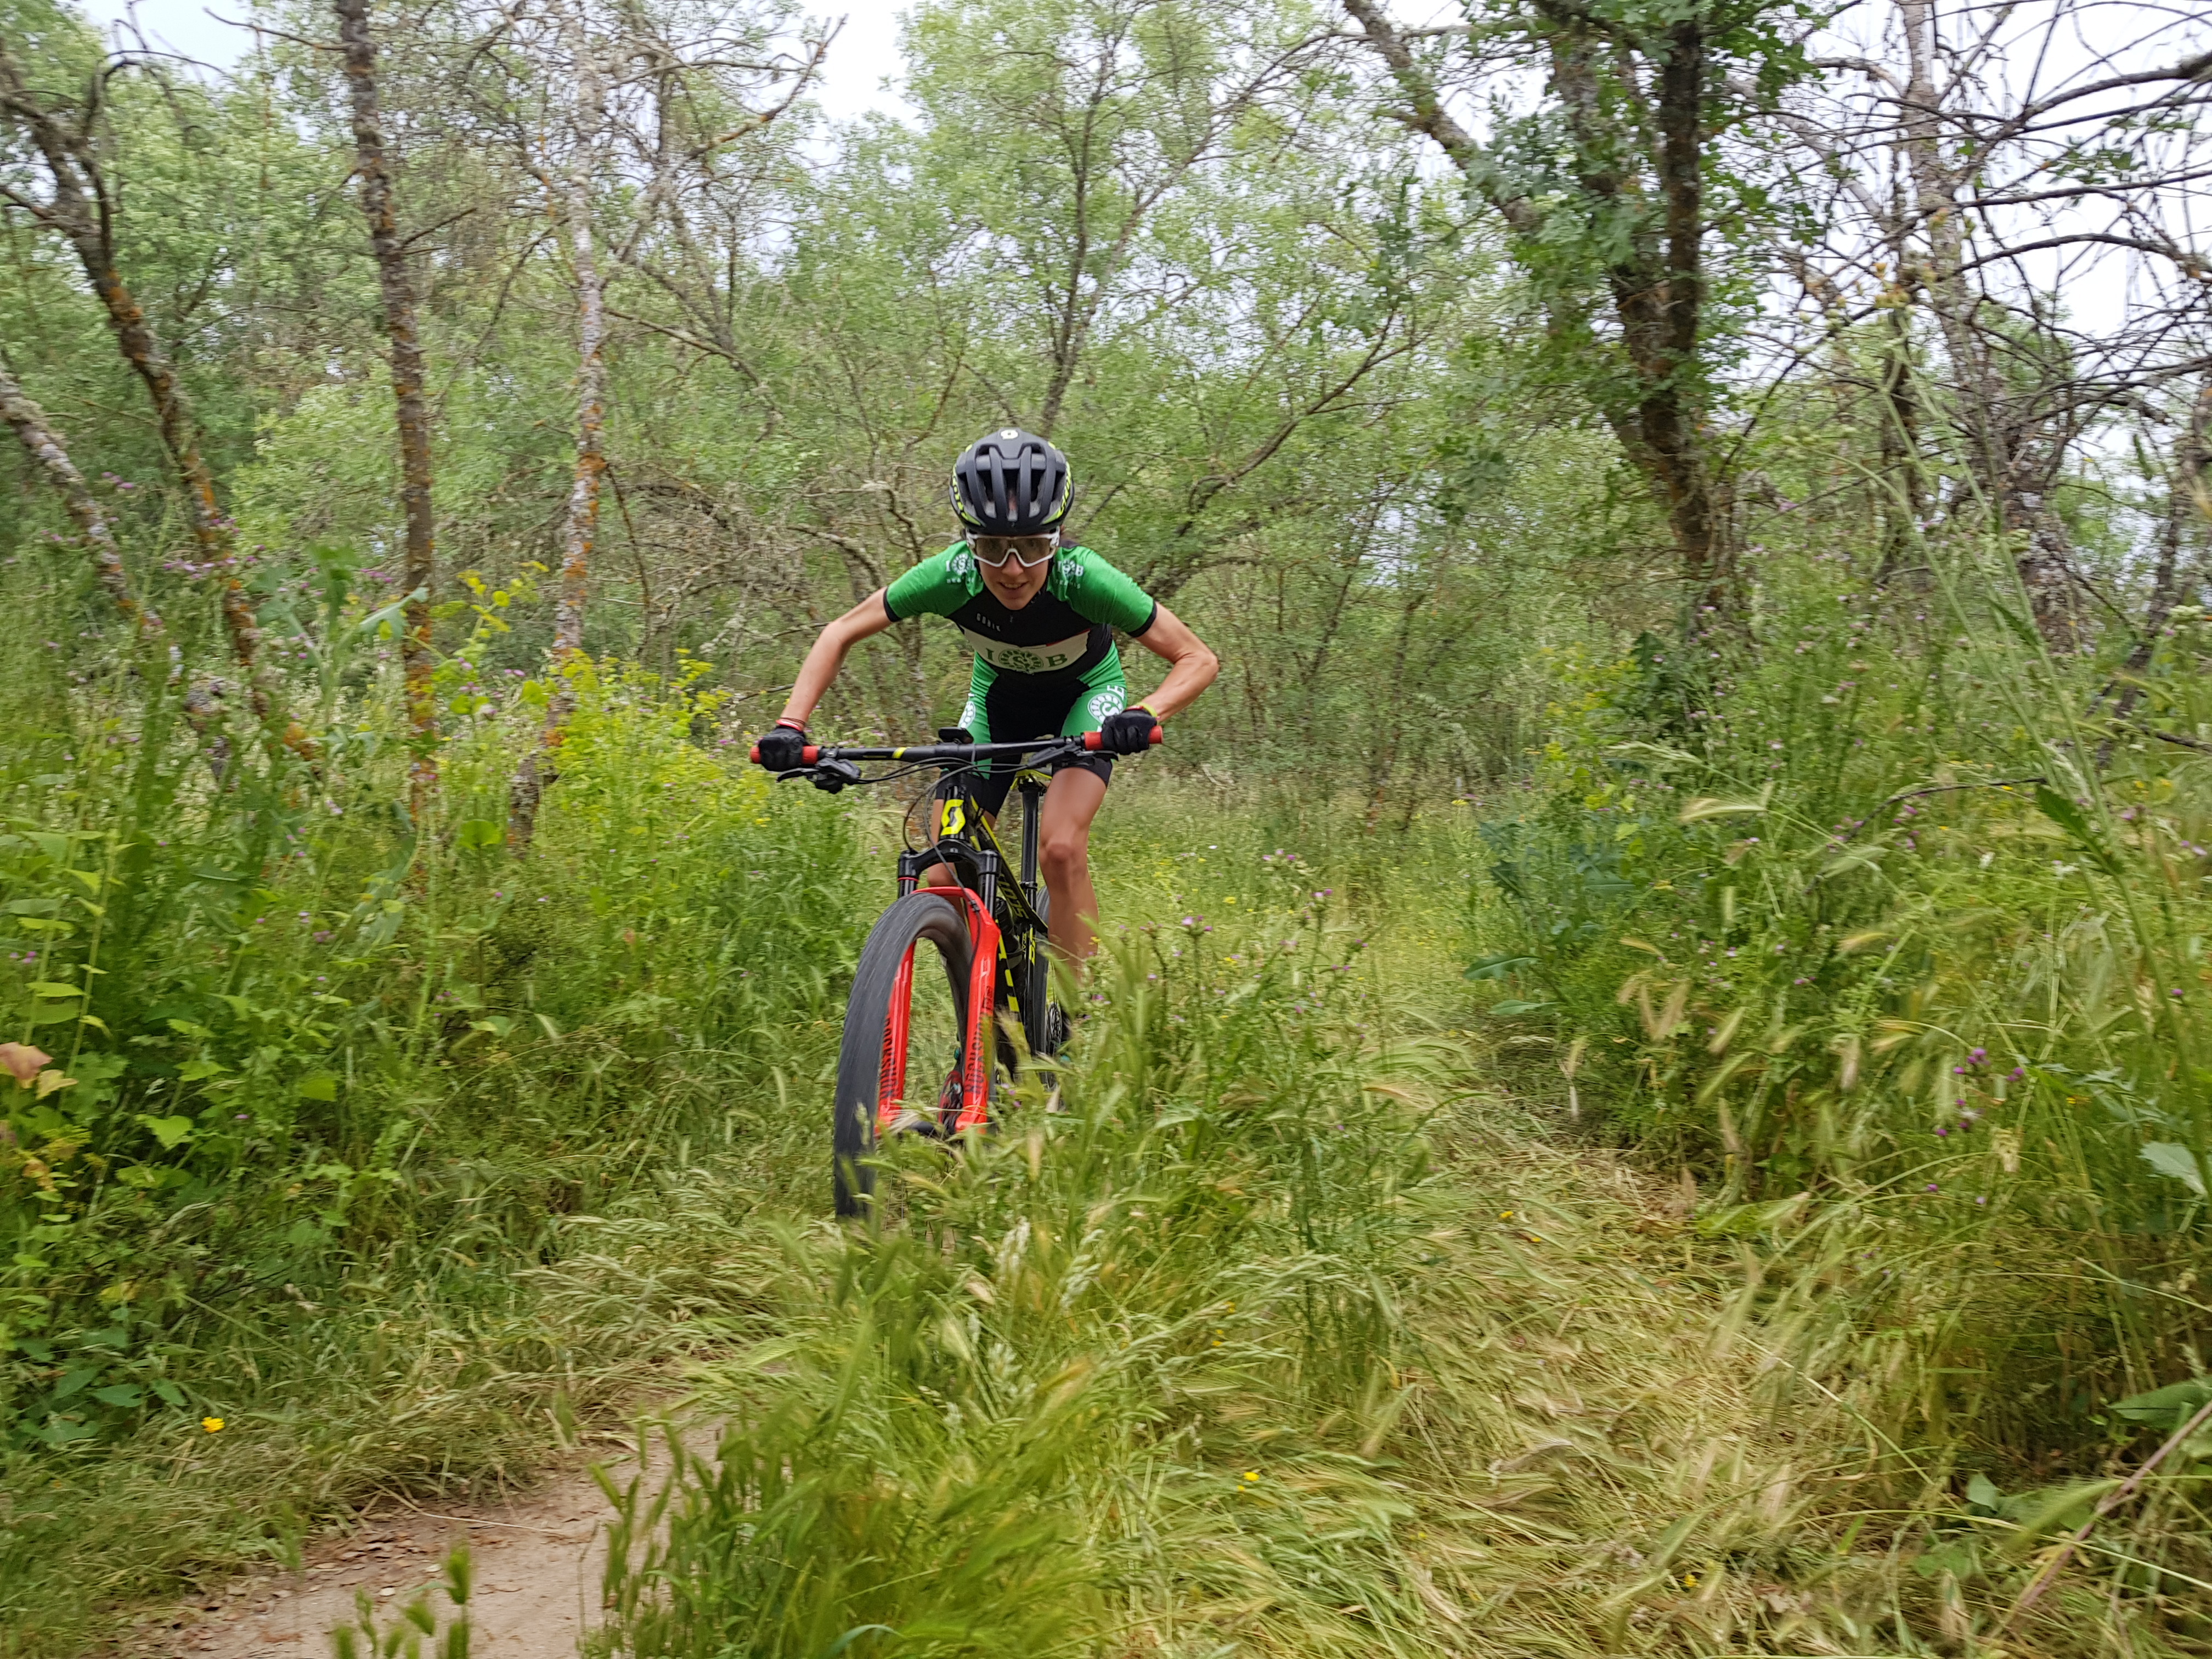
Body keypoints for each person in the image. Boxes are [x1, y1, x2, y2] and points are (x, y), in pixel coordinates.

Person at [756, 427, 1218, 963]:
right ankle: (987, 995)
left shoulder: (1086, 579)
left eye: (1033, 547)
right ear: (970, 542)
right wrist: (791, 724)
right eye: (993, 549)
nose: (1013, 570)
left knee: (1061, 848)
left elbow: (1198, 659)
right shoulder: (950, 576)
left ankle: (1075, 1016)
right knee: (940, 870)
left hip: (1087, 699)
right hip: (999, 705)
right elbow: (839, 632)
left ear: (1057, 537)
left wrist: (1145, 712)